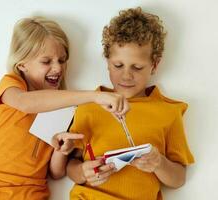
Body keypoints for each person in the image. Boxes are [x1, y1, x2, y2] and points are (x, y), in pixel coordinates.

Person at [0, 16, 129, 200]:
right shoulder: (12, 86)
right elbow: (26, 103)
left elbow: (55, 174)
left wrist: (61, 150)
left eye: (62, 60)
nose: (58, 68)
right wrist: (94, 96)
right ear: (22, 65)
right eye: (46, 61)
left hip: (32, 195)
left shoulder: (63, 108)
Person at [67, 7, 194, 200]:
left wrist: (159, 163)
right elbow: (70, 166)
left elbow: (178, 179)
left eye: (137, 67)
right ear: (107, 62)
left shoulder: (168, 112)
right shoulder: (88, 106)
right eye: (118, 66)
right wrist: (83, 172)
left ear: (155, 65)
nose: (126, 75)